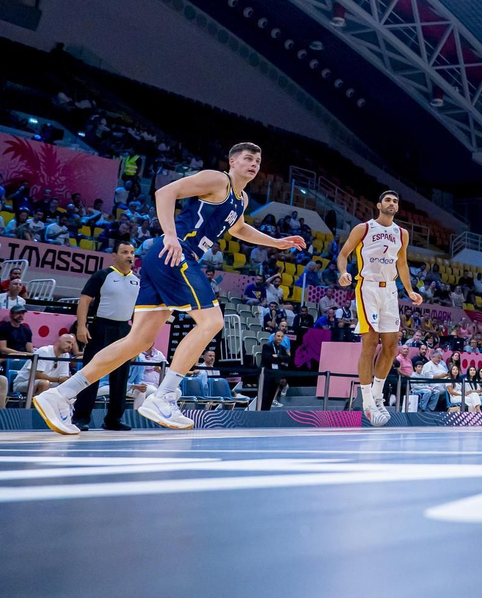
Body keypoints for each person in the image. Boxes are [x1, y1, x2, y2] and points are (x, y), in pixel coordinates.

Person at [32, 142, 306, 433]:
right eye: (248, 158)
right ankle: (164, 396)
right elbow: (165, 192)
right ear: (232, 162)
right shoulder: (217, 180)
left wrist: (276, 242)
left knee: (137, 341)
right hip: (176, 253)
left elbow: (238, 228)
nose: (254, 164)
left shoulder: (241, 199)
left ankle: (61, 394)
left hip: (163, 258)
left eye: (258, 161)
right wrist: (171, 236)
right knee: (212, 321)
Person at [335, 191, 423, 427]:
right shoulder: (363, 228)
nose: (392, 203)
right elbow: (343, 254)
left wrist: (410, 290)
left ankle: (377, 396)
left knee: (391, 346)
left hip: (390, 290)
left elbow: (402, 263)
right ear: (378, 205)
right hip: (368, 287)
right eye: (388, 200)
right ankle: (367, 403)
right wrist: (343, 272)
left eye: (395, 201)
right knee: (371, 342)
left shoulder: (402, 233)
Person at [71, 243, 141, 431]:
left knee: (121, 377)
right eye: (125, 252)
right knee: (91, 372)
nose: (129, 256)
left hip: (124, 330)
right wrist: (81, 326)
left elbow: (137, 310)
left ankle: (114, 419)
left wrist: (136, 335)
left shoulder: (136, 280)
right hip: (101, 327)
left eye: (132, 253)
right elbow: (84, 300)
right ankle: (80, 418)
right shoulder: (102, 275)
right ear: (114, 255)